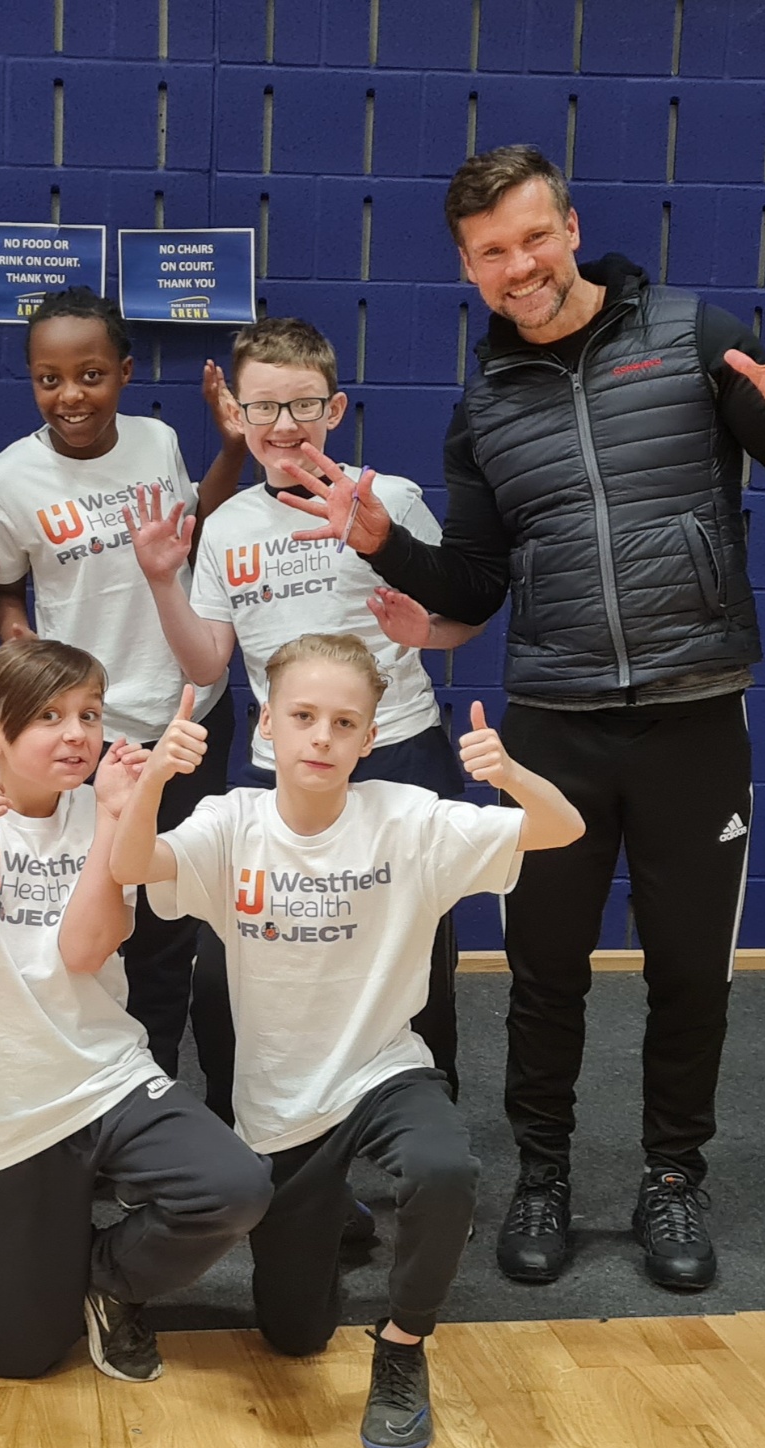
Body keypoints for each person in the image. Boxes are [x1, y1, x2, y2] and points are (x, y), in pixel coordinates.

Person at [285, 144, 765, 1291]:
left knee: (688, 970)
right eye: (490, 252)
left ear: (570, 227)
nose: (519, 266)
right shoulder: (485, 406)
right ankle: (540, 1175)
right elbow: (474, 580)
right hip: (552, 726)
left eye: (533, 237)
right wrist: (381, 544)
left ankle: (672, 1177)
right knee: (544, 971)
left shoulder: (692, 337)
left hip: (694, 718)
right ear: (467, 267)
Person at [110, 633, 584, 1448]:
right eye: (303, 717)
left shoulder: (409, 819)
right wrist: (152, 780)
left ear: (369, 738)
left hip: (383, 1072)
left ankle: (403, 1344)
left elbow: (564, 828)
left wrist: (509, 775)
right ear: (267, 725)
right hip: (281, 1103)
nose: (322, 737)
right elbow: (132, 864)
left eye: (343, 722)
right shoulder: (231, 822)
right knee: (294, 1335)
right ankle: (324, 1215)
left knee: (444, 1168)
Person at [126, 317, 480, 1100]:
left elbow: (460, 617)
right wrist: (160, 581)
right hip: (276, 773)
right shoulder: (227, 526)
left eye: (303, 405)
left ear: (336, 409)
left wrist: (428, 632)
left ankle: (426, 1110)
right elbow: (207, 662)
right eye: (263, 407)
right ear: (238, 413)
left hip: (398, 755)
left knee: (411, 954)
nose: (283, 424)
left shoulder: (390, 498)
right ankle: (240, 1119)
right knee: (236, 963)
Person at [0, 639, 271, 1386]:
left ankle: (107, 1280)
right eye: (48, 716)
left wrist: (112, 817)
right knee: (20, 1357)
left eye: (90, 714)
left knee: (235, 1188)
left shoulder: (107, 807)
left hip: (110, 1075)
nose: (76, 734)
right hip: (10, 1101)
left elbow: (81, 951)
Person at [0, 287, 235, 1116]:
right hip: (92, 736)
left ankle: (161, 1094)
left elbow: (196, 527)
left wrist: (232, 448)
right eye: (48, 379)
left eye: (90, 374)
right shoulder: (7, 479)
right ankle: (103, 1091)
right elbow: (1, 588)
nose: (70, 395)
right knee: (103, 915)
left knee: (172, 918)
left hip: (188, 718)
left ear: (123, 372)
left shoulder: (158, 442)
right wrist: (17, 640)